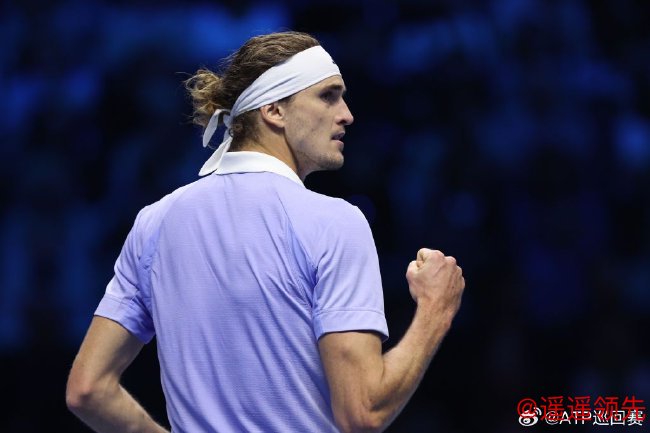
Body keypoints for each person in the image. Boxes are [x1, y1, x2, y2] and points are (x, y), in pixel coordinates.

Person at [66, 31, 465, 433]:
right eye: (328, 96)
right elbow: (363, 412)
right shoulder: (334, 222)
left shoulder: (155, 220)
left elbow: (88, 390)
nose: (347, 114)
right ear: (274, 110)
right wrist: (435, 309)